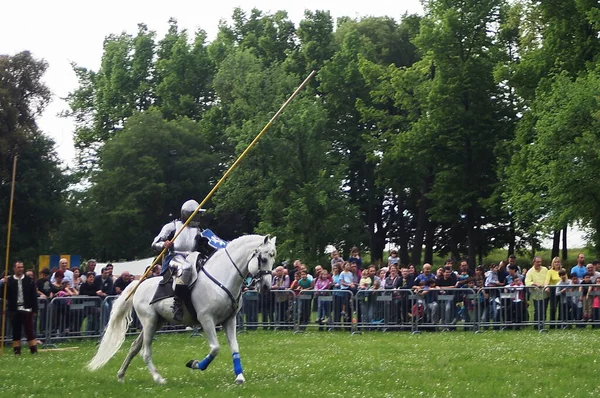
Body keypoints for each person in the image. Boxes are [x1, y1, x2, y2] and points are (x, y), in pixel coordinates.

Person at [151, 199, 214, 322]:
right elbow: (155, 243)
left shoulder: (198, 230)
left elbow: (204, 245)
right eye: (195, 214)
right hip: (175, 257)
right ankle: (177, 303)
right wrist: (164, 244)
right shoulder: (171, 227)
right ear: (187, 214)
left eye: (199, 214)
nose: (198, 216)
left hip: (194, 257)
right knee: (185, 268)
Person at [3, 261, 38, 355]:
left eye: (22, 267)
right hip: (14, 309)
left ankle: (33, 349)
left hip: (27, 308)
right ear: (14, 268)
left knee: (29, 329)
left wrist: (35, 309)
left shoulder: (29, 280)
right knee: (16, 330)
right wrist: (3, 284)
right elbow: (3, 295)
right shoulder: (9, 280)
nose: (20, 269)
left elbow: (33, 296)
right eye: (18, 267)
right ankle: (17, 351)